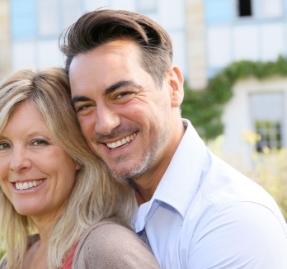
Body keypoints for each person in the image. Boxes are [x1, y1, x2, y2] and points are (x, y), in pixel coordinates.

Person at [59, 9, 287, 269]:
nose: (105, 124)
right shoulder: (103, 201)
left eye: (122, 94)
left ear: (173, 87)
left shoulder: (234, 220)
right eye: (85, 106)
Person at [0, 67, 161, 269]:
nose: (17, 163)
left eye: (38, 142)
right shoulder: (15, 260)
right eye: (3, 145)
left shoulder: (107, 249)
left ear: (76, 154)